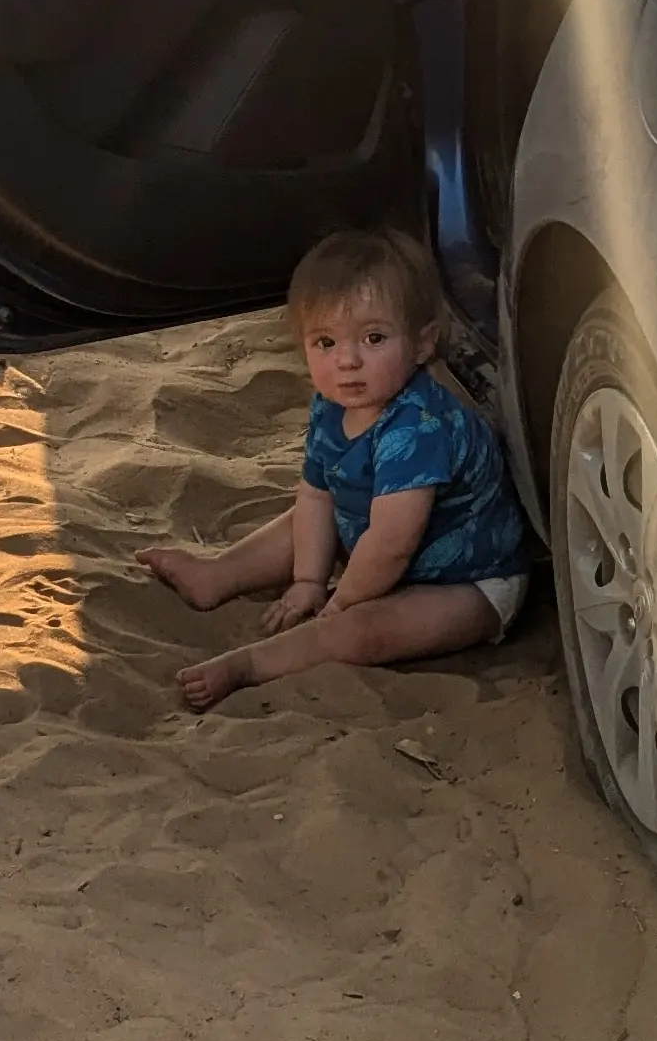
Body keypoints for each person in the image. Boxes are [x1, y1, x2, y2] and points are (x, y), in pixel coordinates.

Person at [141, 227, 531, 708]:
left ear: (422, 343)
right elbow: (315, 494)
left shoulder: (418, 427)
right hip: (376, 537)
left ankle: (251, 665)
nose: (347, 361)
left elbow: (392, 544)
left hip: (467, 583)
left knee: (363, 631)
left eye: (373, 338)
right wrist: (308, 580)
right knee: (302, 519)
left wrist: (341, 601)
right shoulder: (331, 406)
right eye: (325, 342)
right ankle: (218, 575)